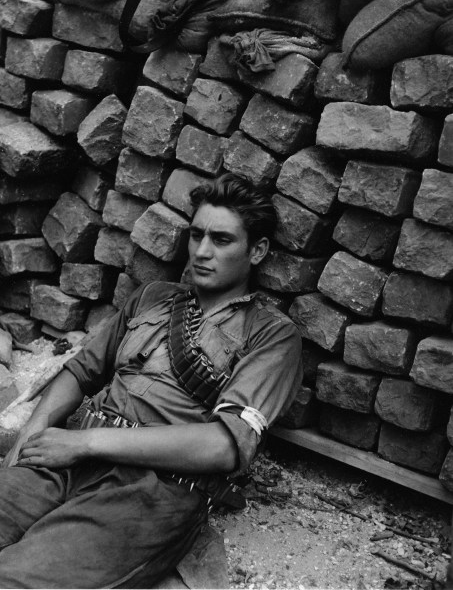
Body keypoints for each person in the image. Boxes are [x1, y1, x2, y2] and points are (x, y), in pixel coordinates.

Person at [0, 173, 303, 588]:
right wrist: (31, 436)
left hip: (151, 488)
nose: (202, 251)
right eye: (197, 236)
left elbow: (223, 447)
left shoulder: (272, 335)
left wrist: (84, 442)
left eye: (222, 240)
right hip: (67, 458)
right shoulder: (154, 297)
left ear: (258, 250)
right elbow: (82, 369)